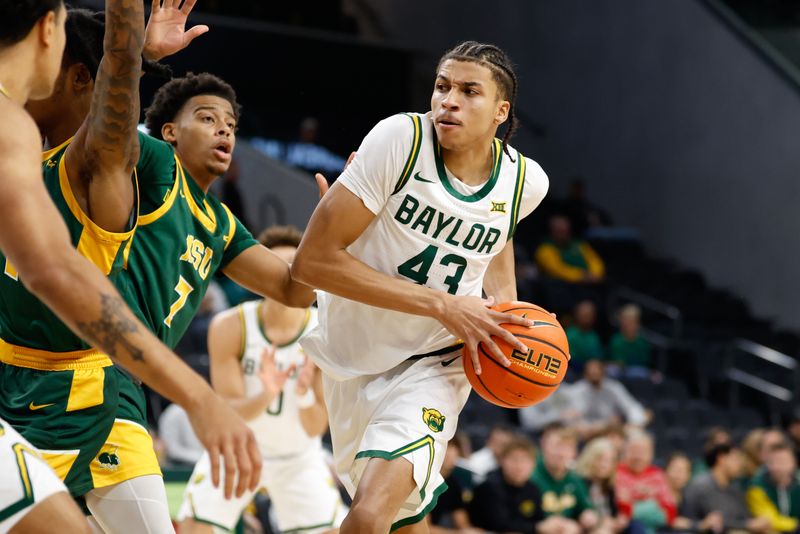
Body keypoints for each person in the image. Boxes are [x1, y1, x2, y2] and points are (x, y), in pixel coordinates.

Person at [0, 1, 257, 531]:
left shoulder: (46, 152)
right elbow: (55, 273)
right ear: (49, 27)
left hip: (98, 386)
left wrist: (135, 51)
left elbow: (110, 115)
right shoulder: (20, 139)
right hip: (35, 380)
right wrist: (198, 397)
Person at [291, 41, 550, 532]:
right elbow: (311, 263)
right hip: (351, 356)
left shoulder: (525, 183)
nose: (448, 100)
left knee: (369, 515)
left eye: (469, 91)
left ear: (501, 111)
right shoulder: (401, 139)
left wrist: (506, 315)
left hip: (437, 361)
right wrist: (444, 304)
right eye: (442, 86)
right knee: (402, 522)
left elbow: (498, 239)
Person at [178, 226, 347, 534]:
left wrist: (304, 393)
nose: (289, 278)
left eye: (296, 269)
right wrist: (266, 394)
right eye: (279, 269)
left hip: (298, 456)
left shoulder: (326, 329)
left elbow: (315, 428)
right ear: (261, 276)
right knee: (193, 528)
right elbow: (229, 413)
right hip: (240, 448)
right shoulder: (231, 326)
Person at [684, 444, 771, 533]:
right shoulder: (700, 486)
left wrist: (757, 522)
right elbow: (715, 521)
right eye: (735, 459)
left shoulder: (735, 488)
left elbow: (744, 517)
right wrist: (747, 525)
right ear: (721, 459)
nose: (739, 464)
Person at [468, 437, 546, 533]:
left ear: (533, 464)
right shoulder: (490, 486)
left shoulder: (533, 489)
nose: (519, 466)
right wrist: (536, 527)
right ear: (502, 461)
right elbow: (501, 525)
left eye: (525, 460)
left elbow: (539, 520)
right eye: (514, 459)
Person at [531, 426, 599, 531]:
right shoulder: (531, 476)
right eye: (557, 447)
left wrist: (588, 515)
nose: (561, 454)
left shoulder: (574, 478)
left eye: (567, 448)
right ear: (544, 446)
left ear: (574, 453)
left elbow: (586, 507)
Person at [569, 360, 648, 441]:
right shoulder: (577, 389)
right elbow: (571, 413)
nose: (594, 376)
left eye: (597, 373)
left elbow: (631, 407)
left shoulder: (614, 388)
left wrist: (634, 423)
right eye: (591, 374)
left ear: (603, 373)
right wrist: (585, 426)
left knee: (634, 433)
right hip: (584, 431)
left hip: (609, 430)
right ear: (585, 375)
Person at [615, 431, 676, 530]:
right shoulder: (616, 472)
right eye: (634, 451)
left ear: (651, 454)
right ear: (625, 452)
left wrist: (634, 507)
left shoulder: (657, 475)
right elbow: (620, 509)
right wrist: (651, 504)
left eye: (642, 452)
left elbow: (669, 515)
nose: (638, 457)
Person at [575, 437, 633, 533]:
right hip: (588, 528)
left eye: (609, 461)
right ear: (590, 459)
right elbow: (581, 514)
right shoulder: (579, 482)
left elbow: (614, 512)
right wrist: (602, 521)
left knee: (636, 525)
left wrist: (620, 519)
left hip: (608, 527)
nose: (604, 465)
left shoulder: (608, 485)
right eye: (600, 460)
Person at [534, 214, 605, 283]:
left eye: (566, 230)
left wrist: (595, 274)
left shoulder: (579, 244)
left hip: (590, 281)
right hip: (564, 286)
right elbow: (557, 270)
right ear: (552, 231)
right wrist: (580, 276)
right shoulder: (545, 249)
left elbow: (594, 260)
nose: (563, 234)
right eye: (560, 231)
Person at [747, 442, 800, 532]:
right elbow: (769, 520)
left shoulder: (798, 483)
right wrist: (797, 525)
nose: (777, 466)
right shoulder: (757, 487)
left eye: (782, 461)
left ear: (794, 463)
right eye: (772, 462)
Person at [608, 305, 652, 374]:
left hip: (638, 371)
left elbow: (644, 361)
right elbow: (616, 362)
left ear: (638, 323)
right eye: (626, 320)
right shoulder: (616, 339)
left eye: (632, 321)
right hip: (619, 371)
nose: (629, 324)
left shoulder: (642, 341)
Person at [565, 300, 604, 368]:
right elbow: (570, 360)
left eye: (589, 315)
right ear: (577, 315)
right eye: (584, 315)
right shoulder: (570, 334)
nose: (587, 318)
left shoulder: (594, 335)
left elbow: (599, 357)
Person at [663, 452, 692, 529]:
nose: (678, 474)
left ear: (688, 475)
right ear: (666, 470)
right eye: (675, 469)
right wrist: (670, 522)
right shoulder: (657, 495)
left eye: (683, 470)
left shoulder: (689, 497)